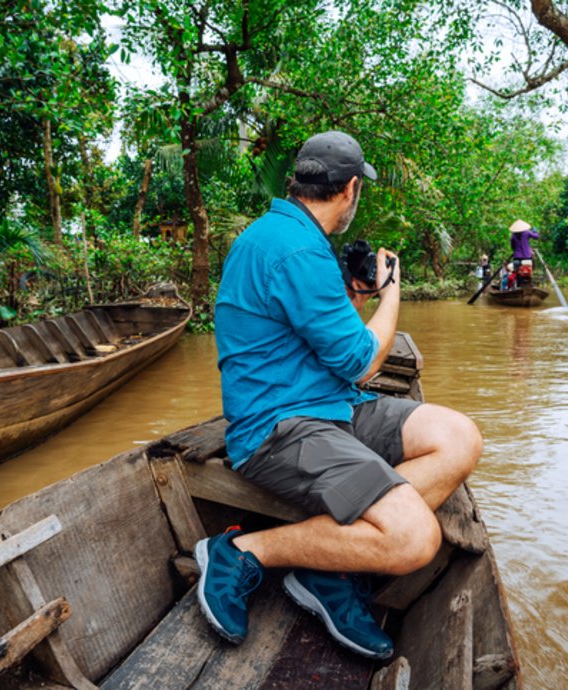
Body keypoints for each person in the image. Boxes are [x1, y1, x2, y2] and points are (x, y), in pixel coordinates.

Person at [198, 130, 483, 659]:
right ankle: (242, 551)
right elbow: (363, 359)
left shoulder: (290, 237)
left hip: (332, 406)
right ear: (351, 189)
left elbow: (327, 344)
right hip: (280, 427)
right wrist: (392, 289)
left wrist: (354, 294)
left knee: (458, 437)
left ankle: (332, 565)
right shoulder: (297, 249)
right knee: (416, 541)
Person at [509, 219, 539, 287]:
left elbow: (512, 247)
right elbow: (536, 237)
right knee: (531, 267)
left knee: (516, 272)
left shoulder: (513, 236)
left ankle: (519, 285)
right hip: (527, 256)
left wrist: (516, 250)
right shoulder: (527, 232)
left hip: (517, 257)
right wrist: (535, 231)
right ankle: (530, 282)